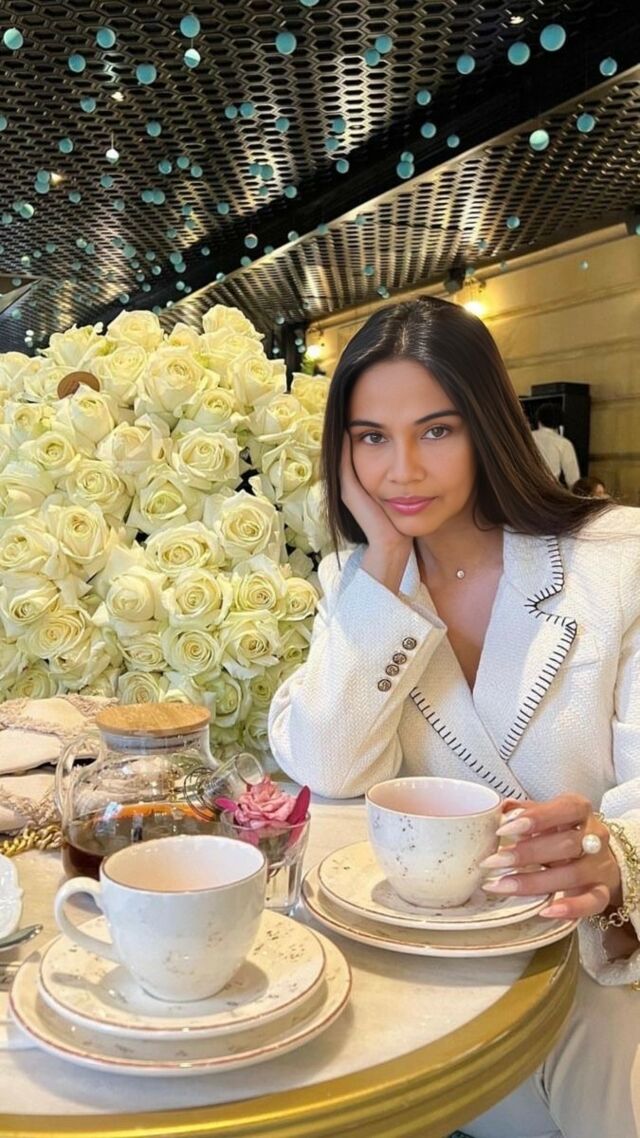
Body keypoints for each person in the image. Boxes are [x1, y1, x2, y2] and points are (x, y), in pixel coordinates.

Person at [268, 296, 640, 1138]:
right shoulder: (357, 584)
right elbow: (327, 765)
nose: (401, 470)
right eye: (371, 437)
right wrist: (383, 564)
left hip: (603, 963)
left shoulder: (616, 559)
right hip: (438, 972)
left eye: (435, 431)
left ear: (488, 428)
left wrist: (618, 860)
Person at [532, 403, 581, 488]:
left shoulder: (526, 437)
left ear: (538, 420)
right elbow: (573, 479)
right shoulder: (564, 443)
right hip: (550, 489)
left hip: (524, 488)